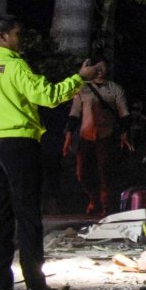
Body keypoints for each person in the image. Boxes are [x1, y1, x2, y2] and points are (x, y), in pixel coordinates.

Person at [0, 16, 101, 290]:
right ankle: (36, 285)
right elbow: (47, 96)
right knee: (27, 214)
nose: (20, 38)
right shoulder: (14, 66)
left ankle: (2, 285)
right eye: (17, 33)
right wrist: (79, 78)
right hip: (18, 146)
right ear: (3, 37)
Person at [61, 55, 134, 215]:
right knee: (82, 174)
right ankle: (94, 199)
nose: (100, 71)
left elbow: (124, 114)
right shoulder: (83, 89)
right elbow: (74, 114)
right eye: (96, 68)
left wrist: (124, 134)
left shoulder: (115, 89)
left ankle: (106, 207)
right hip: (86, 136)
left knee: (106, 173)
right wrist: (68, 137)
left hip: (106, 136)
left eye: (103, 68)